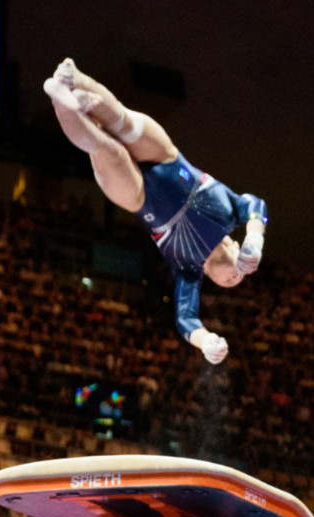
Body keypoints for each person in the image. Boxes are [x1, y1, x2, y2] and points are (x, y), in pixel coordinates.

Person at [43, 59, 267, 365]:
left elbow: (186, 318)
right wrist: (256, 239)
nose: (234, 275)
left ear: (210, 277)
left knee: (108, 150)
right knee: (121, 120)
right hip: (167, 159)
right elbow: (257, 205)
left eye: (228, 281)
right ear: (236, 246)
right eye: (237, 275)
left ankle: (60, 99)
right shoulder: (231, 214)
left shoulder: (189, 268)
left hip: (140, 198)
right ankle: (74, 77)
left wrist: (205, 342)